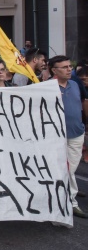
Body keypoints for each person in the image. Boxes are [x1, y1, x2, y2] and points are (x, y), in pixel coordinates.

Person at [49, 56, 87, 218]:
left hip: (76, 134)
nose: (69, 69)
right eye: (64, 67)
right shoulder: (47, 88)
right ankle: (70, 202)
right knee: (62, 170)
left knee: (69, 169)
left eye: (69, 66)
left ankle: (66, 199)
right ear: (54, 70)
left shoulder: (75, 84)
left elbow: (83, 103)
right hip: (55, 137)